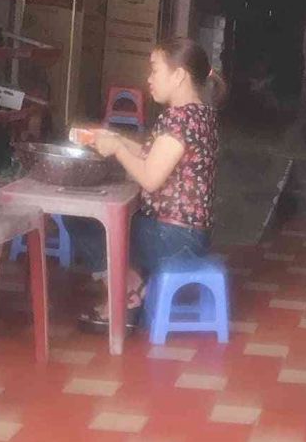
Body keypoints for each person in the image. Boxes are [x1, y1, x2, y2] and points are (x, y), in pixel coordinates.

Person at [66, 37, 223, 331]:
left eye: (154, 70)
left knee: (85, 220)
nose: (149, 78)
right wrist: (117, 139)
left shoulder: (180, 119)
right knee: (108, 220)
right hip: (187, 236)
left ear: (178, 76)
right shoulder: (199, 113)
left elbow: (151, 178)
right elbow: (155, 156)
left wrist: (118, 149)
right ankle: (132, 289)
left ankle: (125, 296)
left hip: (172, 238)